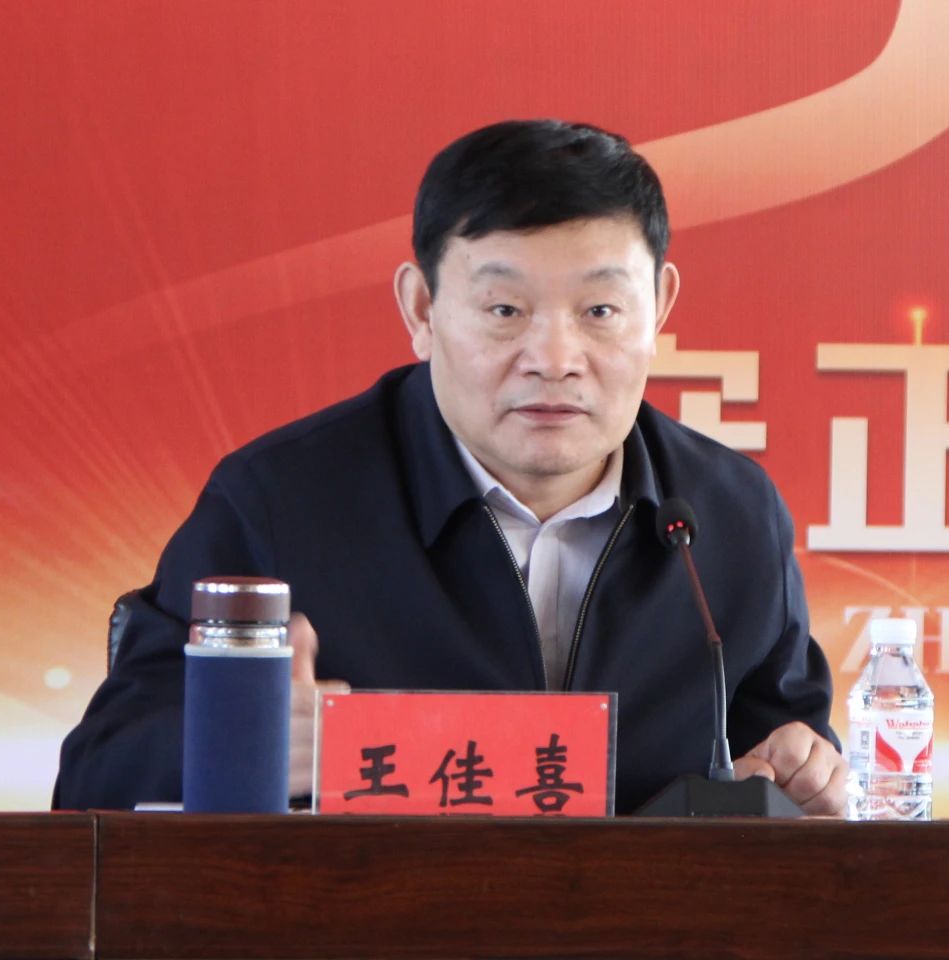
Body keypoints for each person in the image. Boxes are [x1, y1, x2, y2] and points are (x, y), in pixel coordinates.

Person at [54, 119, 847, 815]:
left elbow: (783, 753)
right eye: (505, 311)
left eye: (600, 311)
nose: (555, 359)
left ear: (661, 308)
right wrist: (237, 750)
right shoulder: (280, 504)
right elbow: (97, 772)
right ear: (422, 310)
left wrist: (804, 775)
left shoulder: (729, 516)